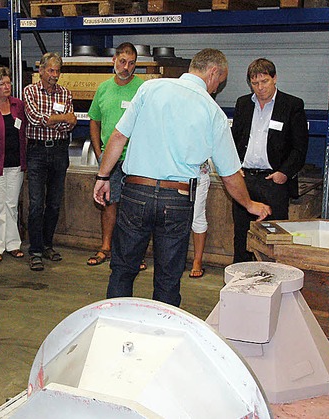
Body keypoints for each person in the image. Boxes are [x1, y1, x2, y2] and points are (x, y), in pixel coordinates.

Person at [93, 48, 271, 307]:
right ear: (212, 73)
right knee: (168, 277)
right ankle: (164, 336)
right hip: (176, 199)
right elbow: (230, 173)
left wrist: (103, 176)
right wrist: (249, 204)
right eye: (218, 83)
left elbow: (118, 137)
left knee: (122, 268)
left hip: (136, 193)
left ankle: (113, 329)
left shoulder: (150, 89)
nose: (216, 89)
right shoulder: (214, 113)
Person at [231, 58, 309, 263]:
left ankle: (271, 280)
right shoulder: (242, 104)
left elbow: (300, 147)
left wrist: (284, 173)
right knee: (242, 234)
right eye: (255, 83)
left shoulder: (292, 105)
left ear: (274, 78)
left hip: (273, 181)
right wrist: (234, 166)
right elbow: (234, 139)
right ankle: (240, 279)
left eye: (264, 81)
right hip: (245, 179)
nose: (260, 87)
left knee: (273, 237)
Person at [86, 42, 146, 271]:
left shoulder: (143, 89)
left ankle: (134, 253)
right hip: (109, 161)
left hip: (135, 161)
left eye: (131, 63)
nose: (126, 67)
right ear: (114, 60)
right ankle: (106, 247)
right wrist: (100, 152)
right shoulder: (103, 89)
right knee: (108, 203)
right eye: (122, 62)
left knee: (133, 209)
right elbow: (94, 120)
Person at [23, 52, 77, 271]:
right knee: (36, 204)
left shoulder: (65, 93)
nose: (55, 75)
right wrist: (61, 118)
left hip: (59, 151)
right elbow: (34, 118)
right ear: (41, 71)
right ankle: (35, 250)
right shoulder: (30, 91)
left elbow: (70, 124)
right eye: (51, 71)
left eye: (57, 71)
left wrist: (57, 120)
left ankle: (47, 245)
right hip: (36, 152)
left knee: (54, 204)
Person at [0, 65, 27, 262]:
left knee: (11, 205)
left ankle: (13, 243)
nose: (6, 86)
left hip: (16, 163)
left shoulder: (18, 105)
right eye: (1, 84)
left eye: (8, 83)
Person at [189, 159, 211, 278]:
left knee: (197, 216)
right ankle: (176, 258)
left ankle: (197, 261)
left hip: (199, 174)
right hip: (173, 174)